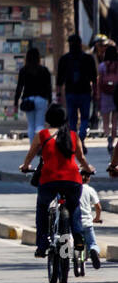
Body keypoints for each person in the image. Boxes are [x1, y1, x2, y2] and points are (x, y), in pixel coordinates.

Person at [20, 103, 96, 265]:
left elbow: (30, 155)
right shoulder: (73, 136)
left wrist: (25, 166)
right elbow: (81, 159)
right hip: (72, 180)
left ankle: (42, 244)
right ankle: (78, 237)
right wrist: (88, 169)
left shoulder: (42, 135)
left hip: (49, 180)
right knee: (73, 207)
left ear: (48, 119)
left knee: (42, 208)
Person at [14, 47, 52, 140]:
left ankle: (33, 146)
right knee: (40, 124)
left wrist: (16, 102)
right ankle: (40, 145)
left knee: (31, 125)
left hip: (28, 99)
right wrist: (49, 100)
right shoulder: (44, 70)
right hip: (41, 99)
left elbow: (19, 87)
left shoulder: (24, 70)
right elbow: (48, 87)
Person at [74, 182, 103, 269]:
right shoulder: (89, 189)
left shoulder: (70, 188)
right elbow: (98, 207)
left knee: (72, 240)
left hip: (74, 223)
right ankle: (93, 250)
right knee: (92, 243)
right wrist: (97, 218)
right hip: (87, 223)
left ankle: (69, 255)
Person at [97, 43, 118, 154]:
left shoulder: (102, 66)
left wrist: (98, 95)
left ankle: (108, 136)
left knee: (106, 120)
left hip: (105, 95)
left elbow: (99, 82)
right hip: (116, 94)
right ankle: (113, 140)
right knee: (115, 120)